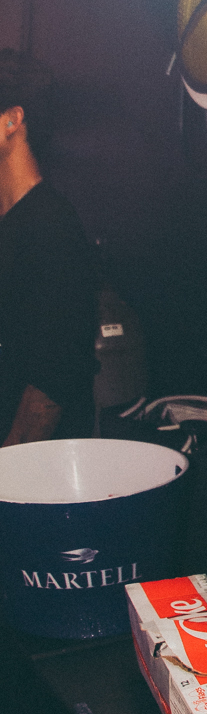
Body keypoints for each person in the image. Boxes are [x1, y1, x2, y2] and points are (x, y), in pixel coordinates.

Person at [0, 50, 97, 448]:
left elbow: (53, 382)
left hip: (34, 470)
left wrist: (9, 465)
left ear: (12, 121)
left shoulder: (50, 225)